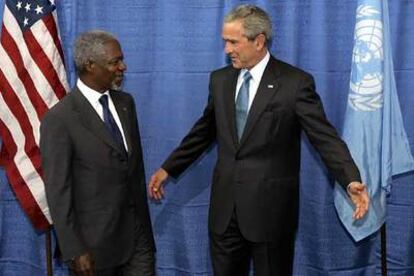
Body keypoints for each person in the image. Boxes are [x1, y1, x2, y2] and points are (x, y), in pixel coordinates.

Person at [148, 4, 369, 276]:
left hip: (271, 214)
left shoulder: (295, 83)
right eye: (225, 42)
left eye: (233, 42)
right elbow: (203, 132)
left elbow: (324, 138)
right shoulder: (220, 80)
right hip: (224, 213)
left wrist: (350, 178)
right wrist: (168, 168)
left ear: (259, 41)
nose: (227, 49)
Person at [40, 30, 155, 276]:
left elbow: (134, 170)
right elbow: (58, 191)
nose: (122, 67)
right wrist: (74, 250)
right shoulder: (60, 119)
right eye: (115, 62)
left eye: (121, 60)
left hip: (138, 240)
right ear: (90, 65)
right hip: (93, 249)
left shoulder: (126, 103)